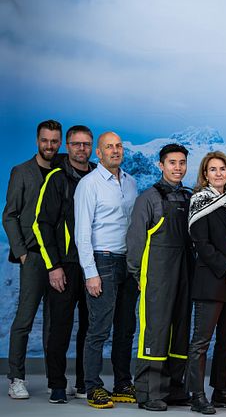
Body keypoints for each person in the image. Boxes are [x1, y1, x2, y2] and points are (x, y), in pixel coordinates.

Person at [126, 144, 193, 411]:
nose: (178, 168)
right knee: (155, 330)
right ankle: (148, 392)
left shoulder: (189, 198)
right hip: (157, 273)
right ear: (160, 165)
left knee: (179, 329)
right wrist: (138, 275)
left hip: (184, 270)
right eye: (172, 162)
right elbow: (135, 242)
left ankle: (174, 388)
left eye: (182, 162)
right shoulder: (149, 198)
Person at [74, 131, 139, 409]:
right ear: (98, 153)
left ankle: (123, 383)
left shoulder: (131, 183)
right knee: (99, 328)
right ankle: (93, 386)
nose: (115, 151)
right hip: (103, 261)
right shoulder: (89, 185)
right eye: (108, 147)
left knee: (125, 328)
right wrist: (90, 272)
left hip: (128, 263)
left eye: (119, 146)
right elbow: (81, 232)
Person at [33, 125, 95, 403]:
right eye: (76, 144)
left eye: (86, 144)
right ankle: (56, 384)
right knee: (60, 325)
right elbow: (42, 223)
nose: (81, 149)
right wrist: (53, 266)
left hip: (92, 264)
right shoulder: (57, 178)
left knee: (90, 326)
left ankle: (84, 381)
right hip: (66, 264)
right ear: (67, 146)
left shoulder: (98, 176)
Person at [3, 119, 62, 399]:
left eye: (54, 141)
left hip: (59, 257)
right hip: (34, 256)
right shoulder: (22, 172)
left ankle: (55, 380)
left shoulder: (64, 170)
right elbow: (10, 215)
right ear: (37, 141)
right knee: (25, 319)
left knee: (55, 321)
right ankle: (16, 377)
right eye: (45, 140)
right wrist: (23, 253)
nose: (49, 145)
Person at [187, 151, 226, 414]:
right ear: (205, 174)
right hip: (211, 280)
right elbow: (202, 244)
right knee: (201, 341)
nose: (219, 173)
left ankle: (220, 391)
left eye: (223, 169)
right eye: (213, 169)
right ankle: (196, 395)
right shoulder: (199, 202)